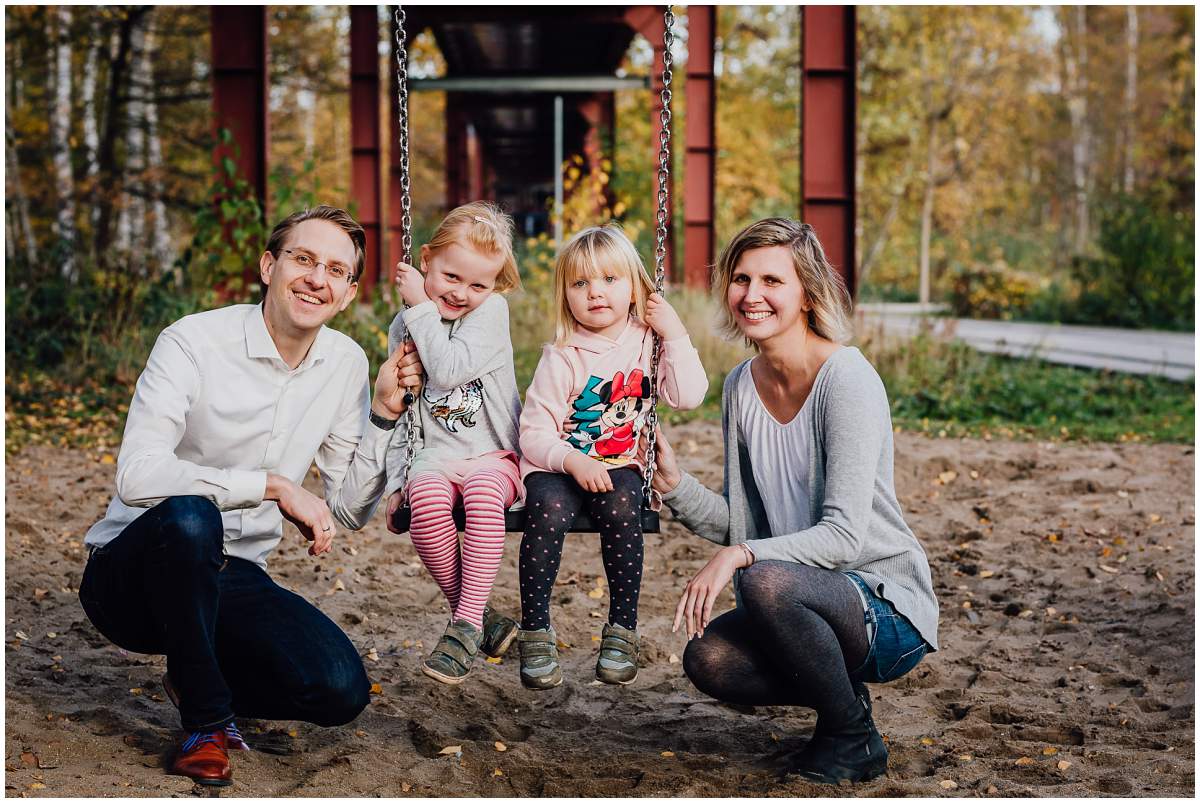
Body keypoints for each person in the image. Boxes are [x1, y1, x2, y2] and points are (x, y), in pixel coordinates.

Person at [78, 206, 424, 787]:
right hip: (132, 577)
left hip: (231, 576)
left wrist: (385, 415)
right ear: (269, 266)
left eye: (336, 270)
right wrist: (271, 486)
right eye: (303, 259)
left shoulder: (343, 364)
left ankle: (192, 670)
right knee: (193, 517)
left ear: (347, 294)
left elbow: (346, 508)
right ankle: (206, 722)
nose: (317, 278)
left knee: (341, 688)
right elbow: (137, 476)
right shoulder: (192, 340)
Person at [644, 218, 939, 784]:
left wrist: (741, 556)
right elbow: (743, 522)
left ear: (807, 292)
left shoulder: (847, 379)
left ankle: (851, 738)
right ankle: (844, 706)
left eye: (772, 281)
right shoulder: (740, 386)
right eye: (740, 279)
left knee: (763, 579)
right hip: (801, 605)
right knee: (708, 658)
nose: (752, 296)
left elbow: (845, 536)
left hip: (883, 608)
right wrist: (674, 484)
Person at [516, 224, 708, 689]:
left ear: (636, 287)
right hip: (557, 465)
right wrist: (573, 462)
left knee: (624, 505)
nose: (595, 292)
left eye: (609, 280)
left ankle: (622, 628)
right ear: (566, 295)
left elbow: (690, 395)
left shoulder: (650, 342)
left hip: (621, 464)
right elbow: (533, 433)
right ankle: (536, 629)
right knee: (548, 508)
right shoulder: (561, 356)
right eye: (580, 283)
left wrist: (676, 333)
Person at [383, 201, 524, 685]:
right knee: (424, 505)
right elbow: (405, 405)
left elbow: (446, 369)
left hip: (492, 454)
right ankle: (479, 617)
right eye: (451, 277)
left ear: (494, 287)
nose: (462, 293)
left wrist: (421, 305)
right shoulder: (406, 325)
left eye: (478, 284)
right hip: (434, 456)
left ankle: (462, 624)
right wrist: (394, 482)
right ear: (426, 261)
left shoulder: (492, 314)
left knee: (484, 499)